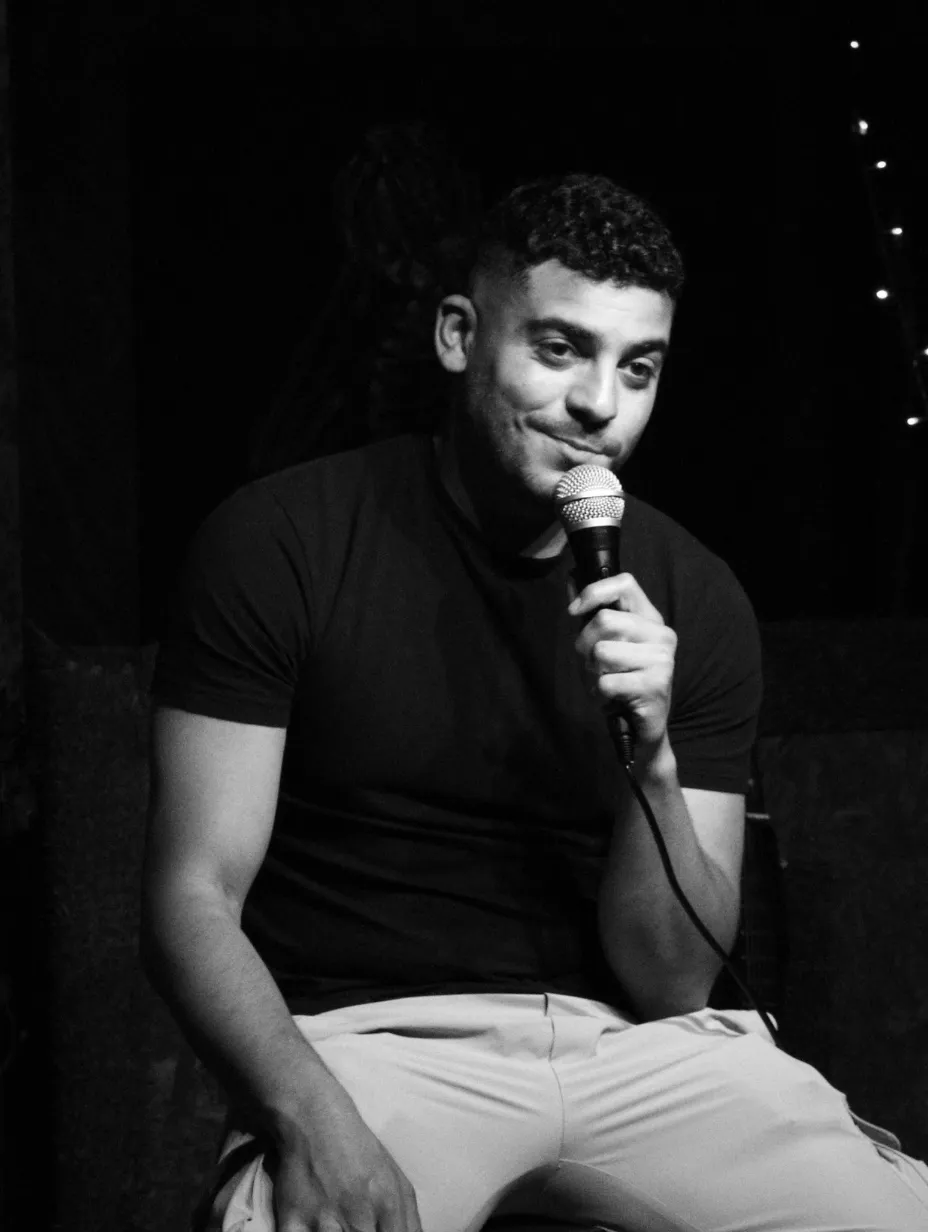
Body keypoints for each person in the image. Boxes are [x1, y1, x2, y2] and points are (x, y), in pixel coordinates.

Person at [142, 172, 928, 1232]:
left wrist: (646, 754)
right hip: (374, 1045)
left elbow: (672, 976)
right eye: (559, 349)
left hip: (635, 1047)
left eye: (636, 366)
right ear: (460, 336)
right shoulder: (282, 542)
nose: (600, 403)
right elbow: (191, 896)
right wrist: (314, 1122)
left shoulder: (691, 595)